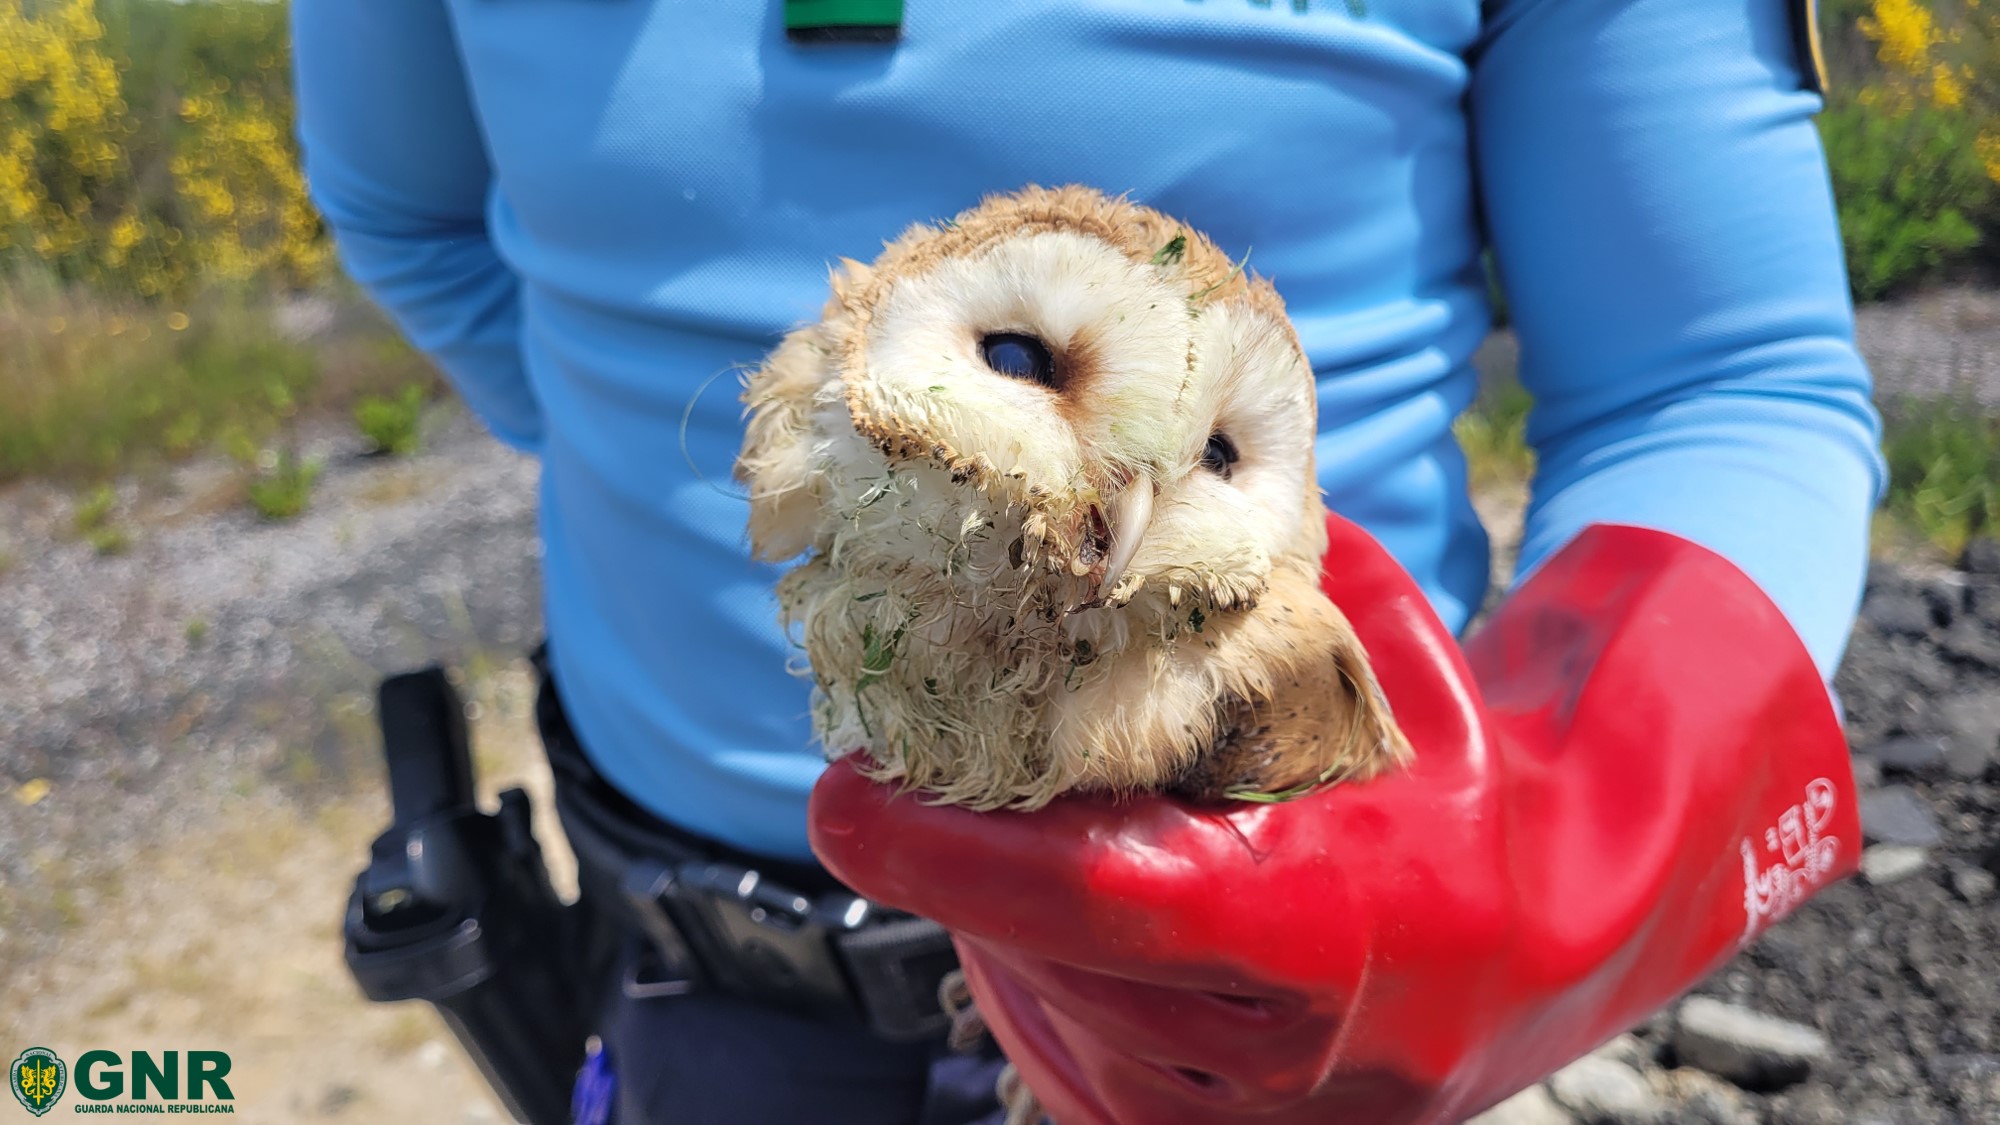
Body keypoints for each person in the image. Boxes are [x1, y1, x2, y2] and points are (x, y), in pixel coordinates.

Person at [292, 1, 1882, 1122]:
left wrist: (1554, 844)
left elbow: (1724, 381)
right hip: (695, 991)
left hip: (1311, 1031)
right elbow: (408, 216)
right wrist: (716, 472)